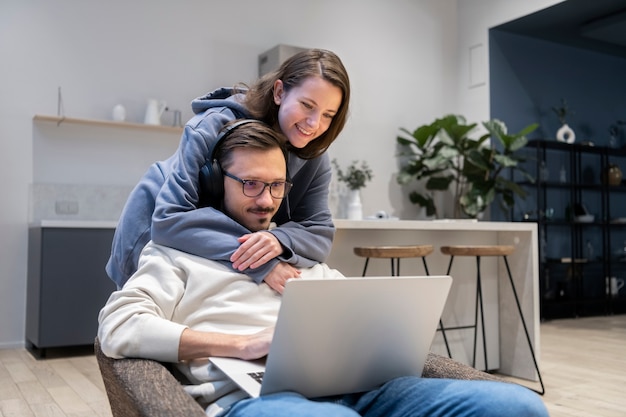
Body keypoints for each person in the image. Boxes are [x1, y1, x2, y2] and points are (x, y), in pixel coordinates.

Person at [98, 120, 549, 417]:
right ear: (218, 183)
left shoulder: (298, 250)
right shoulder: (175, 252)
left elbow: (351, 311)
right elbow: (117, 327)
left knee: (520, 408)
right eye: (251, 183)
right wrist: (241, 345)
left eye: (277, 185)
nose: (266, 199)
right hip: (255, 398)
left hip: (366, 389)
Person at [106, 48, 350, 293]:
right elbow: (169, 219)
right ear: (279, 92)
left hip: (214, 240)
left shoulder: (314, 156)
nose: (314, 124)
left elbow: (318, 231)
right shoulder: (210, 126)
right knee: (138, 313)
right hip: (152, 223)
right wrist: (260, 262)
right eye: (307, 105)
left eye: (328, 115)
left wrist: (278, 240)